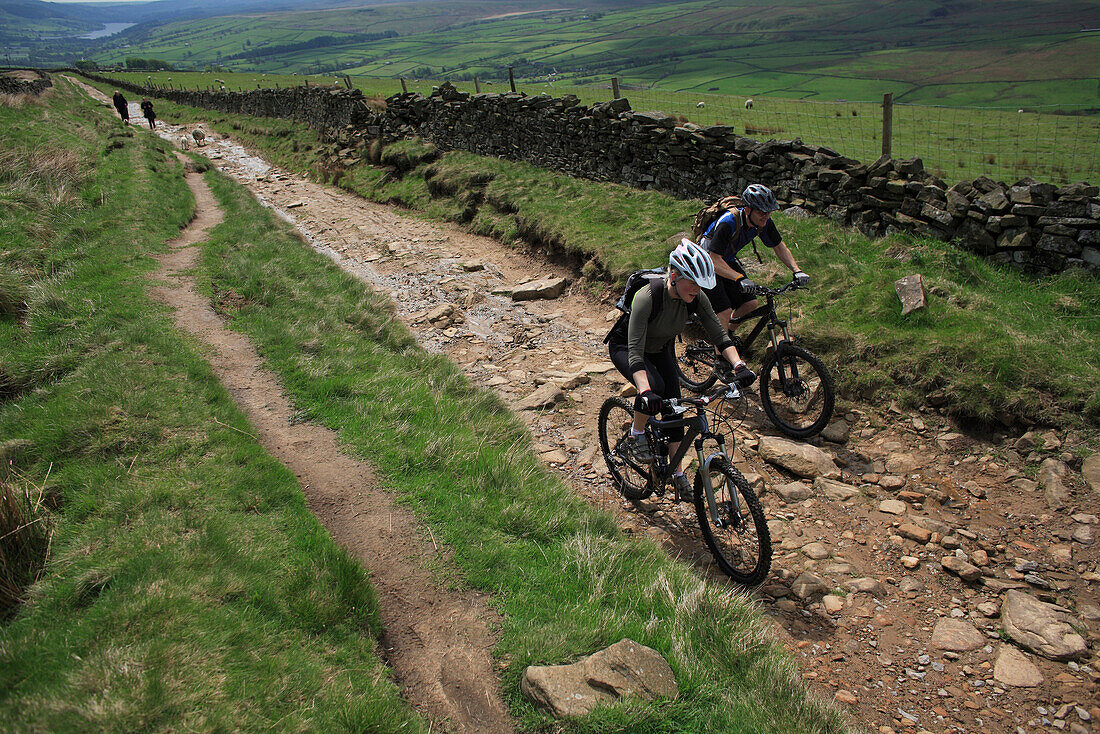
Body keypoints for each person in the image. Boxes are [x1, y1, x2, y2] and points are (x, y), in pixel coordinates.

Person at [608, 239, 756, 498]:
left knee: (675, 411)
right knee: (654, 388)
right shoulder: (648, 296)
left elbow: (719, 335)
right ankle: (636, 434)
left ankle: (677, 475)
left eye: (701, 285)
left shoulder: (696, 298)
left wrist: (739, 365)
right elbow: (634, 351)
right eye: (693, 283)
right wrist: (644, 391)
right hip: (627, 348)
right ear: (674, 276)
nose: (698, 290)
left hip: (661, 348)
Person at [700, 184, 810, 339]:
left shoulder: (764, 223)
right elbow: (713, 259)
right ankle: (721, 357)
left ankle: (727, 335)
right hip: (706, 262)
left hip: (726, 260)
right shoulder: (728, 222)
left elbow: (779, 246)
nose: (765, 215)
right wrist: (739, 278)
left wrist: (797, 270)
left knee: (750, 304)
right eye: (761, 211)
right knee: (723, 310)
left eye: (768, 211)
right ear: (747, 209)